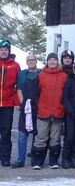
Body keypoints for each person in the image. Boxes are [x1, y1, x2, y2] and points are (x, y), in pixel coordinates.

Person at [31, 52, 67, 170]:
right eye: (50, 60)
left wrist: (62, 107)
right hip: (43, 112)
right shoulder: (41, 75)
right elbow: (36, 94)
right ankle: (38, 161)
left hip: (58, 112)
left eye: (54, 60)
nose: (52, 62)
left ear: (57, 62)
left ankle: (53, 161)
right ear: (47, 62)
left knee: (55, 138)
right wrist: (40, 106)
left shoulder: (63, 76)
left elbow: (66, 94)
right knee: (41, 137)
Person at [11, 53, 38, 168]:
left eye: (33, 59)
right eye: (29, 60)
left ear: (36, 61)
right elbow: (19, 90)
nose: (31, 61)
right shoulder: (22, 74)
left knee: (36, 134)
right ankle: (20, 160)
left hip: (37, 107)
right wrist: (23, 105)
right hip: (25, 107)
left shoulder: (41, 74)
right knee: (23, 134)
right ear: (26, 62)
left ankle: (34, 157)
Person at [0, 39, 20, 168]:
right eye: (1, 50)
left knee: (6, 132)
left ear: (9, 51)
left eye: (6, 50)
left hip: (7, 104)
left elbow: (19, 86)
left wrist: (17, 102)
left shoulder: (15, 65)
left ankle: (5, 158)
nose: (3, 52)